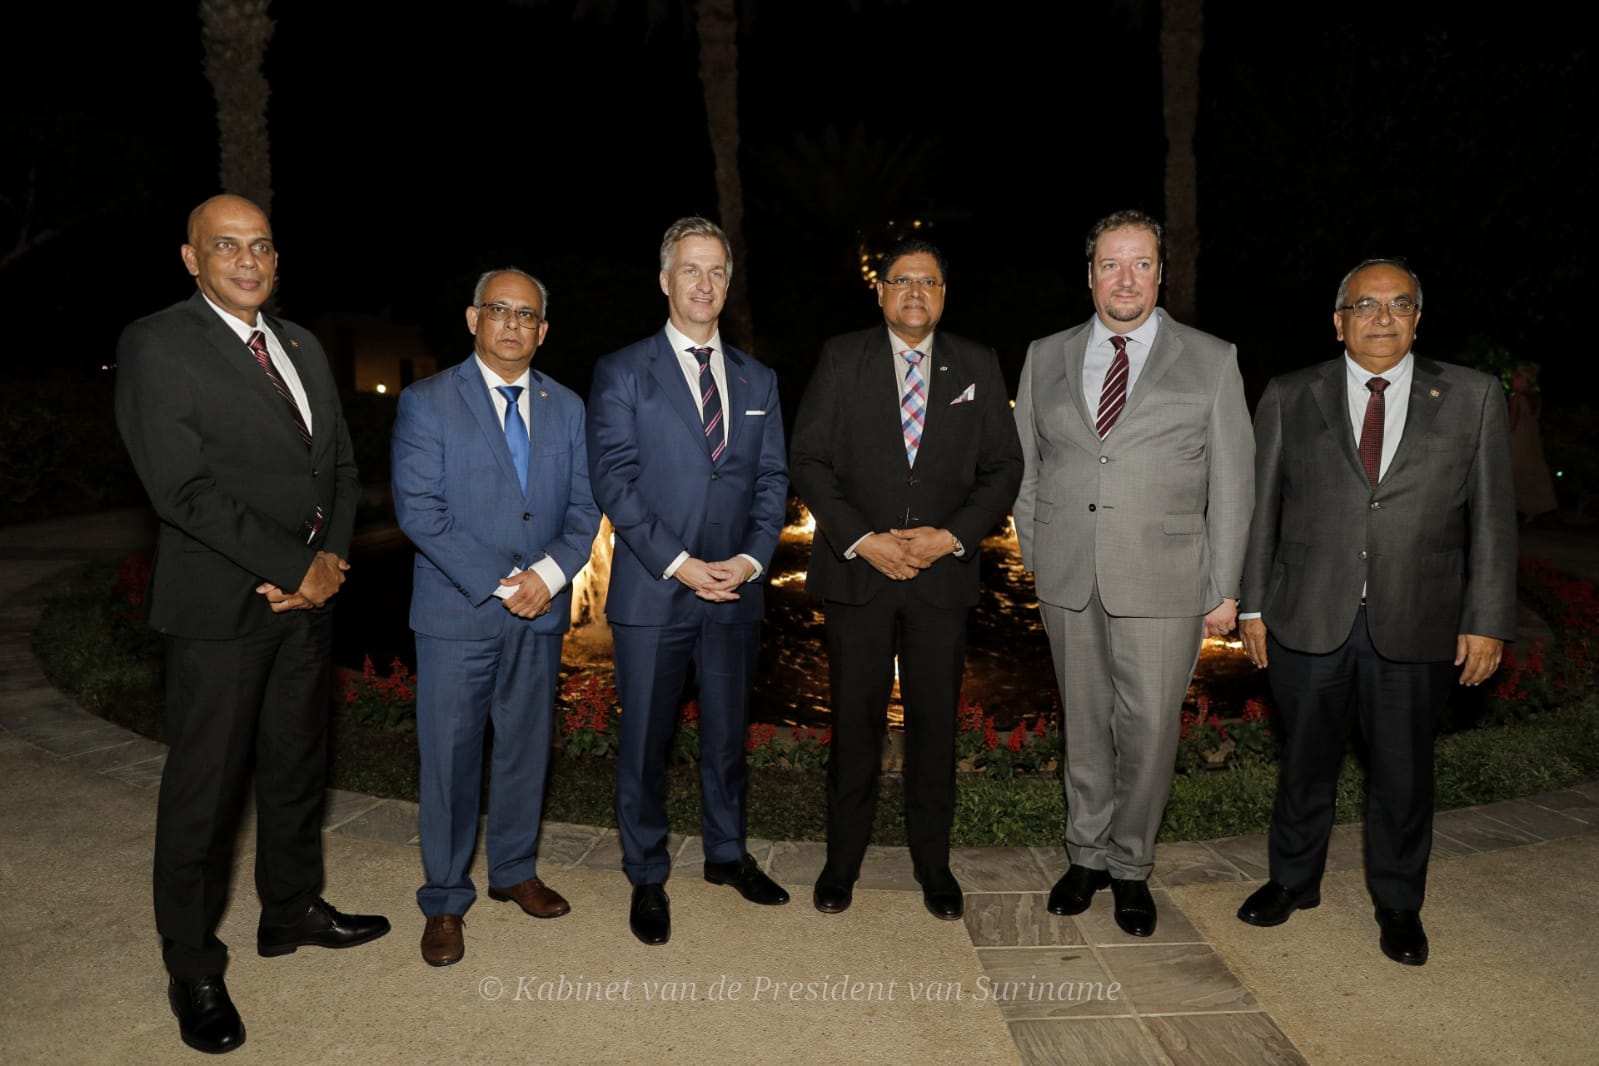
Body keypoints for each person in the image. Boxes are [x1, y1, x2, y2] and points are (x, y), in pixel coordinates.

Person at [114, 194, 389, 1055]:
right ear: (191, 258)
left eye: (261, 245)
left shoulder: (299, 343)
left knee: (297, 765)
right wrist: (291, 567)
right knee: (205, 794)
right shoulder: (158, 344)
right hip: (220, 609)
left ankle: (291, 909)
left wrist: (327, 562)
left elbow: (339, 468)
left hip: (306, 603)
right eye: (226, 245)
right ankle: (192, 964)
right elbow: (181, 490)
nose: (247, 260)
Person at [1235, 258, 1516, 966]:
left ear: (1418, 318)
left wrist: (1485, 619)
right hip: (1306, 614)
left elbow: (1492, 517)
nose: (1382, 318)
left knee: (1403, 772)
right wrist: (1253, 606)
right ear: (1339, 322)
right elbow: (1259, 509)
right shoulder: (1289, 393)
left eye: (1399, 304)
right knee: (1304, 761)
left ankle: (1398, 903)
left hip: (1419, 619)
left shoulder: (1473, 396)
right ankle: (1292, 880)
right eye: (1365, 305)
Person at [1012, 210, 1254, 937]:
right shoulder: (1044, 355)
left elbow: (1233, 481)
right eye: (1111, 264)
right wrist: (1037, 553)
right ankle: (1084, 855)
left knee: (1147, 729)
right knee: (1084, 722)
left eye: (1141, 264)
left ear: (1160, 274)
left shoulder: (1211, 358)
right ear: (1089, 275)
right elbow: (1025, 467)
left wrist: (1224, 587)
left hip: (1165, 578)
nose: (1126, 279)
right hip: (1069, 577)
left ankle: (1130, 866)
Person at [789, 238, 1022, 921]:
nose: (915, 292)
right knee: (853, 723)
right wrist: (862, 540)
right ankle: (842, 863)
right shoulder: (842, 357)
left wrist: (950, 536)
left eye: (928, 282)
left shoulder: (977, 363)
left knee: (934, 726)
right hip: (857, 573)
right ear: (881, 291)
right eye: (901, 280)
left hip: (938, 577)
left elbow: (1003, 467)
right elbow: (808, 458)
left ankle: (933, 865)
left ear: (943, 294)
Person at [587, 217, 790, 946]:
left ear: (728, 284)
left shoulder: (758, 379)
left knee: (728, 737)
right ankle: (646, 873)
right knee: (646, 742)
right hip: (654, 590)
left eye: (717, 271)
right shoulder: (622, 371)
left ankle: (726, 855)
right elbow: (613, 480)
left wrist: (751, 559)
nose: (704, 284)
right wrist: (679, 563)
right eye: (691, 270)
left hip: (735, 590)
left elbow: (771, 480)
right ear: (665, 280)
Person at [390, 269, 600, 967]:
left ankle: (513, 870)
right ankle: (445, 898)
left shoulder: (567, 406)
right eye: (499, 310)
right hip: (458, 611)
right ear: (472, 318)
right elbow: (421, 512)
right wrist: (505, 584)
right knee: (450, 758)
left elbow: (584, 508)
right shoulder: (427, 402)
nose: (513, 323)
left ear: (544, 330)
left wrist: (548, 577)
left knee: (525, 748)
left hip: (539, 610)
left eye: (527, 314)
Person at [1508, 361, 1558, 524]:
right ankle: (1531, 512)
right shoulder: (1536, 399)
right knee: (1530, 474)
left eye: (1514, 379)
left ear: (1523, 380)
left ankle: (1512, 510)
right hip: (1532, 442)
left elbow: (1511, 424)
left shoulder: (1516, 399)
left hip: (1517, 442)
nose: (1511, 381)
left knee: (1513, 475)